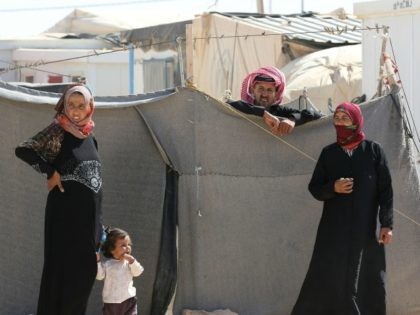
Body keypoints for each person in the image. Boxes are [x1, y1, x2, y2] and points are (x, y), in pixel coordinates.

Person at [291, 102, 393, 315]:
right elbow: (315, 188)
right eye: (336, 118)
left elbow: (385, 191)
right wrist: (333, 187)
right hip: (333, 233)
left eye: (345, 118)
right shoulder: (329, 154)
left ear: (356, 122)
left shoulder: (374, 151)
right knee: (329, 278)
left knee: (365, 278)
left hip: (364, 231)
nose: (339, 122)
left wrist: (386, 224)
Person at [15, 84, 102, 315]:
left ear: (89, 107)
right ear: (64, 106)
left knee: (84, 277)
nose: (75, 110)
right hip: (63, 220)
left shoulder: (91, 139)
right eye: (70, 105)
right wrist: (50, 172)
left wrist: (97, 235)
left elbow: (97, 190)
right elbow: (24, 150)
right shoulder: (58, 131)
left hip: (87, 225)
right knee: (61, 280)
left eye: (80, 105)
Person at [228, 66, 322, 135]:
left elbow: (316, 114)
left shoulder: (279, 111)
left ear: (276, 94)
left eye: (269, 90)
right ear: (253, 90)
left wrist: (292, 120)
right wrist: (263, 114)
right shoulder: (242, 108)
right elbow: (229, 103)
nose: (264, 94)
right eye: (261, 88)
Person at [96, 227, 144, 315]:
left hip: (129, 301)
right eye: (123, 245)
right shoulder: (107, 265)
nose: (128, 247)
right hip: (111, 303)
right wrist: (98, 261)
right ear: (112, 249)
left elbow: (138, 272)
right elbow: (99, 276)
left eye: (129, 244)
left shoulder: (128, 263)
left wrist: (132, 261)